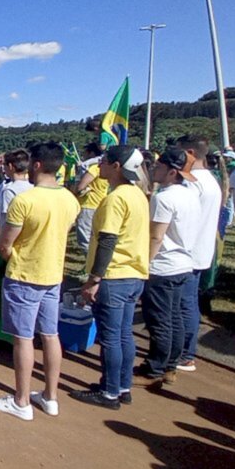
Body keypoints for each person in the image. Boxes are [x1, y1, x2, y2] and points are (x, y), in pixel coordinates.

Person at [0, 142, 79, 421]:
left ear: (36, 165)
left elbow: (5, 244)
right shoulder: (70, 199)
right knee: (50, 335)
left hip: (25, 275)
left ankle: (21, 401)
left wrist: (11, 256)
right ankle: (50, 397)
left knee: (23, 339)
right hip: (53, 275)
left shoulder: (24, 201)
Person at [70, 145, 148, 410]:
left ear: (117, 167)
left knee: (111, 337)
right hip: (133, 274)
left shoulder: (115, 199)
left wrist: (94, 279)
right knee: (124, 334)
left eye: (103, 161)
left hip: (114, 275)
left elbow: (108, 240)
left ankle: (109, 392)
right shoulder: (137, 194)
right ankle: (122, 386)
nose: (99, 166)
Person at [133, 148, 199, 384]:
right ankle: (171, 362)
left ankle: (157, 364)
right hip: (183, 264)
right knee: (175, 317)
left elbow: (156, 236)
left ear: (172, 172)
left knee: (159, 319)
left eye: (159, 167)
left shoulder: (164, 198)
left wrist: (144, 265)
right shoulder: (191, 194)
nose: (154, 170)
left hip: (164, 265)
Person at [175, 135, 222, 372]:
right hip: (200, 250)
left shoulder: (192, 181)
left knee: (184, 305)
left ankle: (184, 353)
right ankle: (185, 351)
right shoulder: (210, 180)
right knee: (189, 302)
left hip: (187, 252)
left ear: (191, 152)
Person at [72, 143, 109, 253]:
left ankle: (91, 264)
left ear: (91, 153)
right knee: (95, 237)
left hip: (89, 204)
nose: (83, 156)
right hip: (100, 203)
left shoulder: (94, 168)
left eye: (85, 153)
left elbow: (80, 187)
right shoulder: (104, 168)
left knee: (85, 239)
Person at [0, 149, 34, 236]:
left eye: (4, 165)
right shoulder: (33, 187)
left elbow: (5, 218)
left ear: (10, 166)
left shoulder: (9, 190)